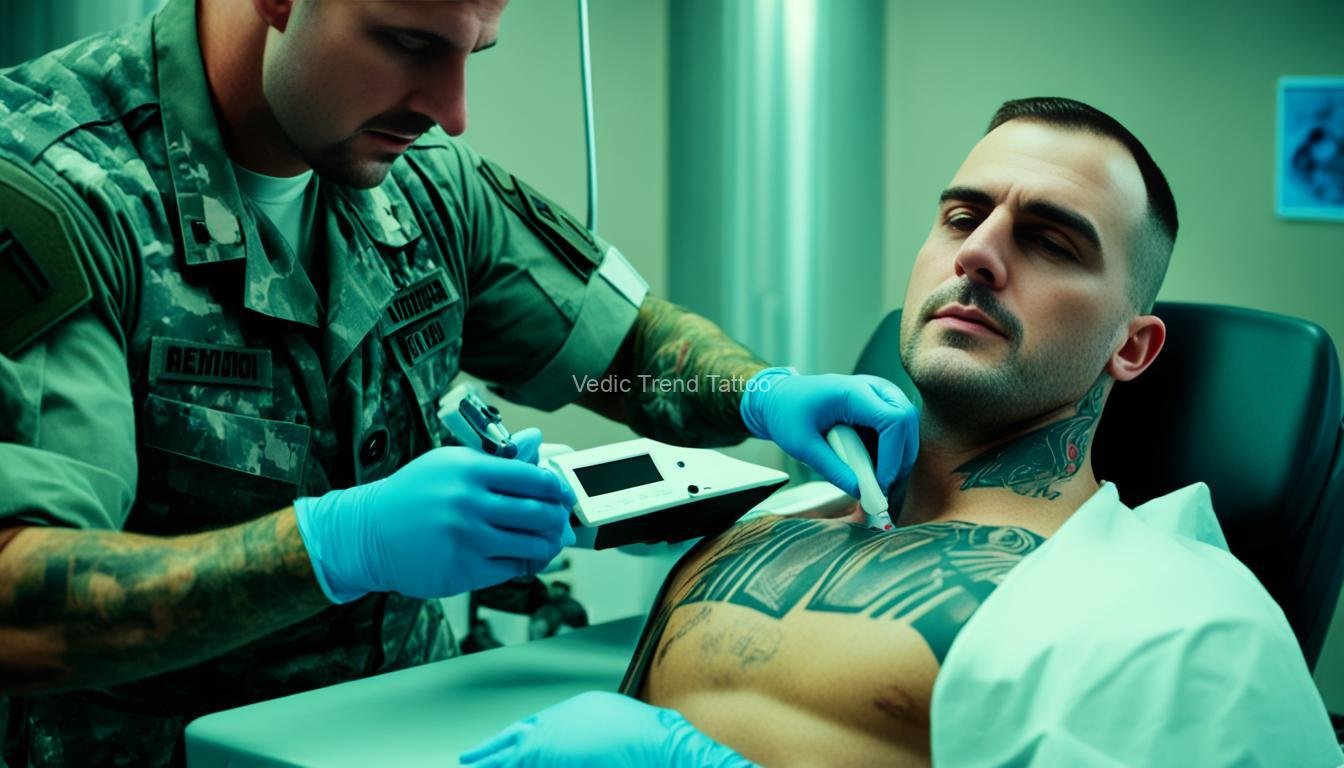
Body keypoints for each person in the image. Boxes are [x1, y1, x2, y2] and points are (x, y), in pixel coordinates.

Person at [0, 1, 920, 765]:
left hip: (404, 730)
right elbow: (17, 600)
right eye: (409, 44)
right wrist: (336, 545)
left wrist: (757, 394)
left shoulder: (428, 186)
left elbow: (616, 361)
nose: (452, 110)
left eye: (474, 50)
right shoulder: (53, 185)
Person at [461, 97, 1344, 767]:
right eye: (962, 217)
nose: (978, 254)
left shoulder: (1183, 629)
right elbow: (609, 370)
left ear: (1132, 346)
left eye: (1049, 241)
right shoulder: (761, 520)